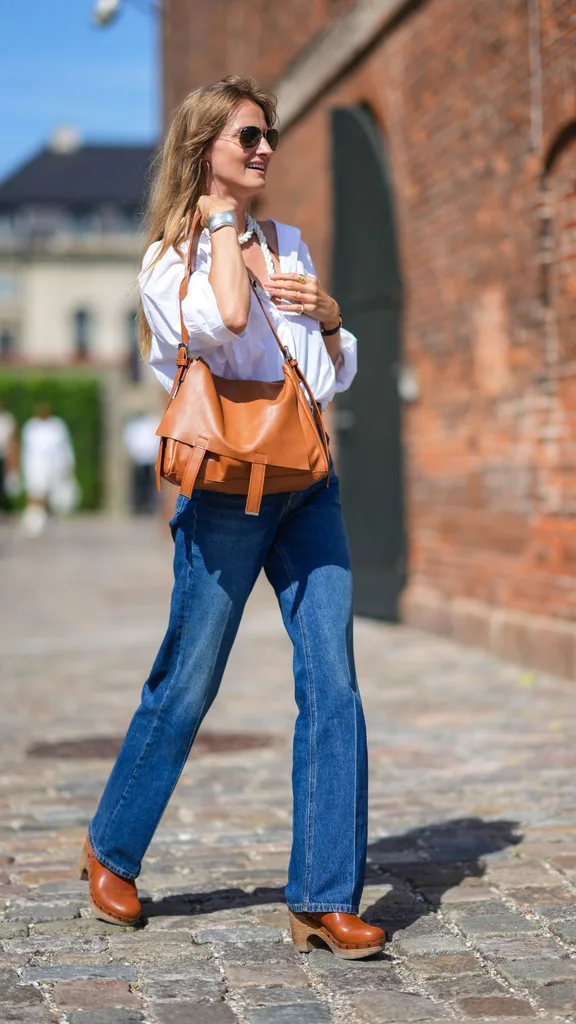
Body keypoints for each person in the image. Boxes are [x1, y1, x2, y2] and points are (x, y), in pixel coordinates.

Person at [81, 75, 386, 960]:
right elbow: (215, 324)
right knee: (188, 681)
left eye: (268, 137)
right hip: (221, 492)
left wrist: (330, 323)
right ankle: (112, 845)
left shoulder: (291, 245)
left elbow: (324, 381)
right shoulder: (164, 262)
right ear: (204, 147)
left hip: (306, 484)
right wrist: (218, 225)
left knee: (334, 681)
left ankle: (324, 897)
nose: (263, 150)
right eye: (247, 136)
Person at [20, 403, 77, 536]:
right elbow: (27, 450)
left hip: (55, 465)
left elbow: (65, 447)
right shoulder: (31, 426)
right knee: (35, 490)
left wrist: (69, 464)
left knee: (53, 493)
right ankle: (34, 519)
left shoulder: (57, 426)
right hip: (36, 464)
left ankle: (47, 516)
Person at [122, 411, 160, 514]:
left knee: (149, 483)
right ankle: (138, 505)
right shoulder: (134, 425)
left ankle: (149, 504)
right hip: (139, 458)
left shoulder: (150, 423)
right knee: (138, 483)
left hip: (149, 458)